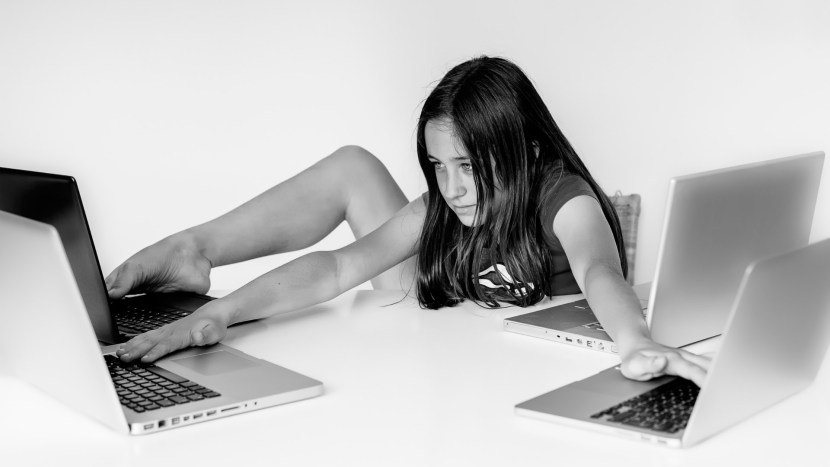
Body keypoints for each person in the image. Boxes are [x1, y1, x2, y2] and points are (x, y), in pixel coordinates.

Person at [109, 56, 710, 386]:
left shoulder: (562, 196)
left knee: (354, 171)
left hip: (519, 370)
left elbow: (601, 270)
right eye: (436, 166)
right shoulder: (440, 206)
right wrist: (218, 313)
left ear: (523, 150)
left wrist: (636, 343)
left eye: (470, 166)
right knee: (353, 166)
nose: (451, 189)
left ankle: (194, 252)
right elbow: (339, 267)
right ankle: (194, 253)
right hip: (441, 330)